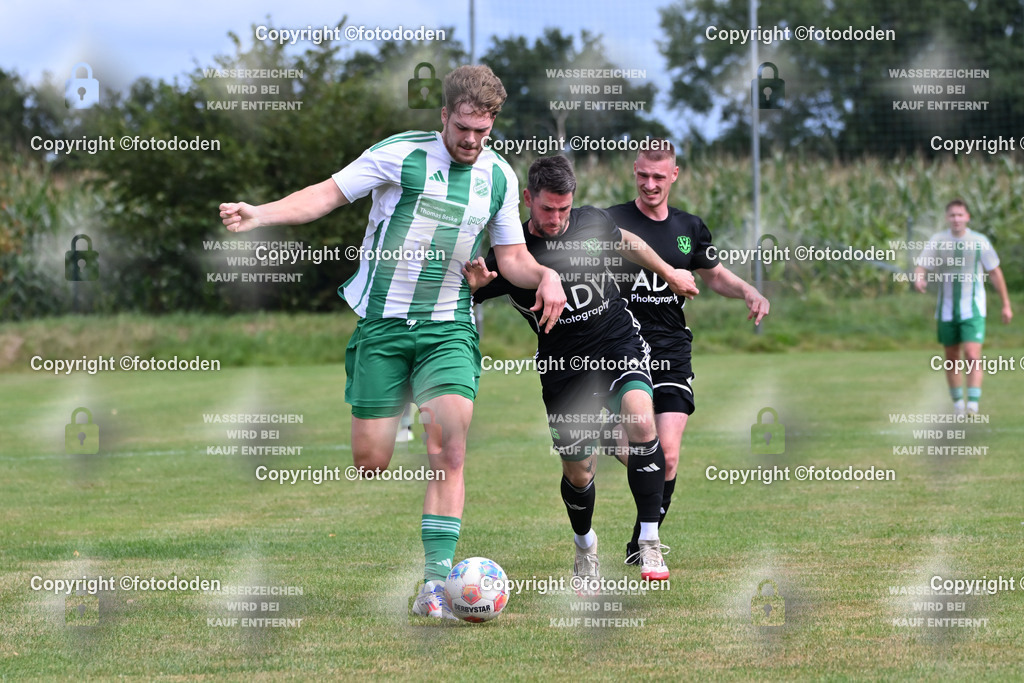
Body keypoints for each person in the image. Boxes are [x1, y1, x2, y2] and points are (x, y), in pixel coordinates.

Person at [219, 65, 566, 619]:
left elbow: (514, 260)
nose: (471, 142)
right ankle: (397, 399)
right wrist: (261, 213)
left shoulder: (498, 178)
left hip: (448, 327)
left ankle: (433, 585)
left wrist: (546, 276)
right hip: (382, 325)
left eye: (483, 131)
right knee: (371, 461)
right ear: (444, 116)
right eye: (462, 129)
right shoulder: (399, 155)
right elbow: (325, 196)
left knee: (449, 449)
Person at [465, 155, 700, 583]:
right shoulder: (510, 253)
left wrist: (669, 272)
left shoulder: (592, 222)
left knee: (641, 419)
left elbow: (627, 241)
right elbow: (464, 293)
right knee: (579, 471)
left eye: (564, 209)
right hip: (563, 369)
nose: (556, 219)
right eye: (547, 209)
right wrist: (474, 285)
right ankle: (585, 548)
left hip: (616, 342)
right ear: (527, 199)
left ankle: (649, 543)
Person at [605, 142, 770, 564]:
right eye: (643, 175)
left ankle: (644, 543)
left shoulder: (690, 226)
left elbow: (714, 276)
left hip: (672, 348)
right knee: (644, 450)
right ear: (634, 172)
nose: (650, 184)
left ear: (674, 175)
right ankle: (609, 441)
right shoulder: (613, 221)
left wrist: (747, 289)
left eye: (659, 177)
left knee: (669, 454)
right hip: (622, 345)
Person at [914, 198, 1012, 414]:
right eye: (952, 215)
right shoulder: (938, 241)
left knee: (972, 354)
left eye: (960, 215)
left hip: (973, 308)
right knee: (951, 357)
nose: (956, 219)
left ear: (967, 217)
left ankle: (973, 405)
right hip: (946, 309)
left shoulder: (979, 242)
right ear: (947, 218)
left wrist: (1006, 304)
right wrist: (919, 278)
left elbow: (995, 272)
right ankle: (958, 404)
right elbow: (922, 266)